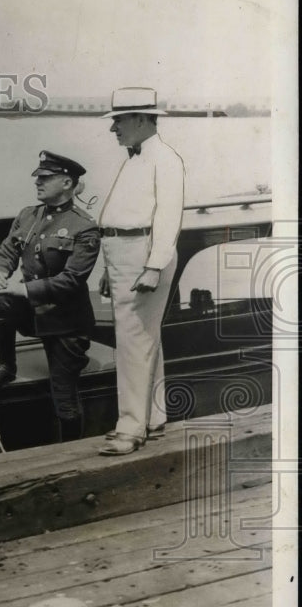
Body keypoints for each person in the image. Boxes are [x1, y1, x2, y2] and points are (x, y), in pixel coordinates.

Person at [0, 151, 101, 442]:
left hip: (66, 324)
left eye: (45, 178)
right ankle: (7, 366)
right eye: (38, 177)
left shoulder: (84, 226)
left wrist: (23, 289)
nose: (38, 182)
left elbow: (71, 280)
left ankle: (72, 454)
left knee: (65, 401)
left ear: (67, 183)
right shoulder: (28, 215)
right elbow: (7, 250)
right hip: (34, 313)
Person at [97, 88, 185, 456]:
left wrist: (153, 266)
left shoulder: (164, 159)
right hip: (123, 254)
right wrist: (108, 265)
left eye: (118, 120)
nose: (113, 128)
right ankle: (154, 418)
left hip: (143, 254)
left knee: (133, 340)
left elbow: (168, 216)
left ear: (140, 119)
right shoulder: (136, 158)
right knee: (145, 337)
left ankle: (130, 429)